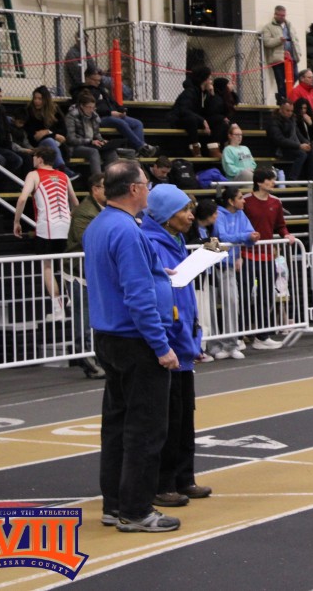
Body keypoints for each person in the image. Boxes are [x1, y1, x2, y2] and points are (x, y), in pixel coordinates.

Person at [82, 159, 180, 533]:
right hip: (135, 339)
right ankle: (137, 510)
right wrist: (161, 346)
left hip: (109, 336)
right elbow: (137, 296)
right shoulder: (127, 230)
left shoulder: (100, 225)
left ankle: (115, 504)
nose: (149, 190)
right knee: (145, 428)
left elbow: (118, 276)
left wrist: (157, 273)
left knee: (117, 424)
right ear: (136, 189)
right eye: (146, 184)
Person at [140, 184, 213, 509]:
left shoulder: (176, 241)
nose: (190, 215)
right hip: (170, 344)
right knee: (167, 420)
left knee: (184, 418)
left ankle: (184, 477)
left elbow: (184, 296)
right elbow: (165, 301)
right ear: (167, 216)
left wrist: (193, 339)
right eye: (184, 210)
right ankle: (163, 483)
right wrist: (177, 339)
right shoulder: (153, 245)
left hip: (184, 343)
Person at [13, 147, 79, 322]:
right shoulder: (63, 176)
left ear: (40, 159)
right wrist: (68, 217)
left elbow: (22, 198)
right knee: (66, 266)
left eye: (34, 156)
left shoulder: (33, 175)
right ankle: (71, 300)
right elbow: (75, 203)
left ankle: (58, 310)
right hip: (66, 225)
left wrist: (17, 221)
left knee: (47, 266)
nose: (33, 159)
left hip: (47, 227)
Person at [241, 167, 294, 350]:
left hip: (267, 256)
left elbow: (280, 225)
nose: (273, 182)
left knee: (266, 296)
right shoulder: (246, 201)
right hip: (247, 254)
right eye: (269, 179)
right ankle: (239, 335)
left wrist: (287, 235)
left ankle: (262, 336)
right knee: (244, 296)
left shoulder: (276, 202)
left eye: (273, 179)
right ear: (259, 182)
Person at [67, 172, 107, 378]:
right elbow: (88, 240)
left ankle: (98, 358)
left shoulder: (105, 209)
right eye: (106, 187)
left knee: (96, 318)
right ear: (95, 189)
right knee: (83, 319)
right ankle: (87, 360)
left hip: (97, 272)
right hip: (79, 272)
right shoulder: (84, 212)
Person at [210, 187, 258, 360]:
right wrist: (244, 237)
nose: (244, 200)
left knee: (232, 303)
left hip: (229, 265)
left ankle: (231, 345)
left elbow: (251, 233)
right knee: (209, 307)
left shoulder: (241, 214)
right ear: (231, 201)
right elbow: (222, 236)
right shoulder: (219, 215)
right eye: (240, 198)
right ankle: (213, 346)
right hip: (213, 265)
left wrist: (244, 243)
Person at [74, 67, 157, 157]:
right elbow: (91, 109)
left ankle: (138, 150)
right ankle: (142, 147)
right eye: (95, 80)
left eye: (99, 80)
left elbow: (112, 101)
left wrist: (121, 109)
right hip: (98, 118)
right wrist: (110, 113)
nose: (97, 82)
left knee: (137, 123)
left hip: (111, 114)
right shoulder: (81, 91)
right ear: (87, 78)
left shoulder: (100, 89)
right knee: (120, 122)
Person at [25, 86, 78, 180]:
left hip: (55, 143)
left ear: (46, 99)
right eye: (35, 98)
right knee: (49, 141)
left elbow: (63, 132)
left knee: (51, 141)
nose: (36, 101)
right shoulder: (29, 111)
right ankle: (63, 170)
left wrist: (48, 132)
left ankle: (61, 171)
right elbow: (34, 136)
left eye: (40, 99)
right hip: (37, 144)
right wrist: (54, 135)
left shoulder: (54, 110)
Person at [169, 66, 219, 158]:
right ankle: (195, 147)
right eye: (209, 79)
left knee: (219, 120)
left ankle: (213, 148)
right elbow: (183, 110)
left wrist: (212, 95)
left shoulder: (206, 93)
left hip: (197, 119)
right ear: (205, 80)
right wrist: (202, 120)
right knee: (192, 119)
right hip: (180, 119)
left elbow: (212, 111)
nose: (211, 81)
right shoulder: (190, 92)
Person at [66, 91, 117, 176]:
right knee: (93, 152)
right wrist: (90, 141)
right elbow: (71, 139)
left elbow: (96, 134)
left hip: (91, 144)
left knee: (110, 152)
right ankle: (98, 179)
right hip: (76, 146)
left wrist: (101, 141)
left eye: (93, 107)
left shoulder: (94, 116)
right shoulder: (71, 116)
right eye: (89, 107)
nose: (91, 110)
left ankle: (112, 178)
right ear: (81, 106)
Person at [261, 5, 301, 102]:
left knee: (296, 75)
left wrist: (299, 52)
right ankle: (282, 100)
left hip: (292, 57)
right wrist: (279, 40)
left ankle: (283, 96)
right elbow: (267, 42)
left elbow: (296, 40)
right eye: (280, 15)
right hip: (278, 59)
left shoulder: (289, 25)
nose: (283, 17)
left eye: (284, 15)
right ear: (275, 14)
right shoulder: (268, 27)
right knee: (280, 81)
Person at [204, 77, 237, 150]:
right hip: (215, 123)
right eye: (229, 84)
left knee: (234, 128)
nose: (232, 85)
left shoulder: (227, 97)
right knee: (224, 126)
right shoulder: (216, 99)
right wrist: (223, 118)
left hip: (222, 122)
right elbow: (212, 114)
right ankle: (216, 149)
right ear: (223, 86)